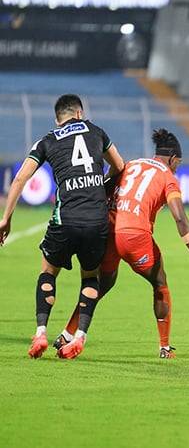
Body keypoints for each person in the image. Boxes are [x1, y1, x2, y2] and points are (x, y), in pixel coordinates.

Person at [55, 129, 189, 359]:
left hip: (108, 231)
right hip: (134, 235)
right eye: (178, 163)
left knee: (101, 284)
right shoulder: (168, 177)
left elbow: (102, 189)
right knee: (160, 282)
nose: (177, 167)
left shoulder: (129, 164)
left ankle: (67, 335)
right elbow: (180, 217)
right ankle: (164, 348)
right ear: (173, 159)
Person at [0, 94, 124, 359]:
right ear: (79, 113)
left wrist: (6, 218)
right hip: (96, 218)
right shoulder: (96, 131)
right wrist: (97, 186)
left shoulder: (47, 140)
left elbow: (21, 178)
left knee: (48, 272)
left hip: (66, 217)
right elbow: (120, 165)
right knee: (90, 277)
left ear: (58, 118)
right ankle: (79, 337)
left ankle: (41, 333)